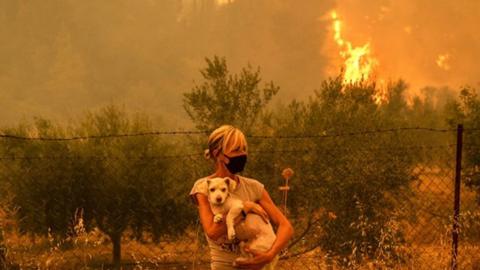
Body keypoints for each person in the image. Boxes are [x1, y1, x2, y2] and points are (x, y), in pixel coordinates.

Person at [190, 125, 294, 269]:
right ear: (218, 154)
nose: (242, 154)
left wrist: (269, 255)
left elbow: (286, 226)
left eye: (244, 149)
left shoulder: (254, 187)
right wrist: (245, 209)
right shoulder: (204, 187)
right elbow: (213, 231)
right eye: (236, 150)